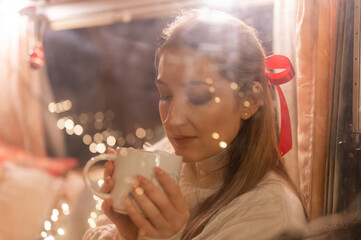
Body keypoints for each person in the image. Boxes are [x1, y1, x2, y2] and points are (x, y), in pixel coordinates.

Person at [83, 9, 307, 240]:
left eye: (198, 97)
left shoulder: (269, 212)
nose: (173, 119)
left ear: (249, 99)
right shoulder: (167, 156)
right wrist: (127, 233)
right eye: (165, 95)